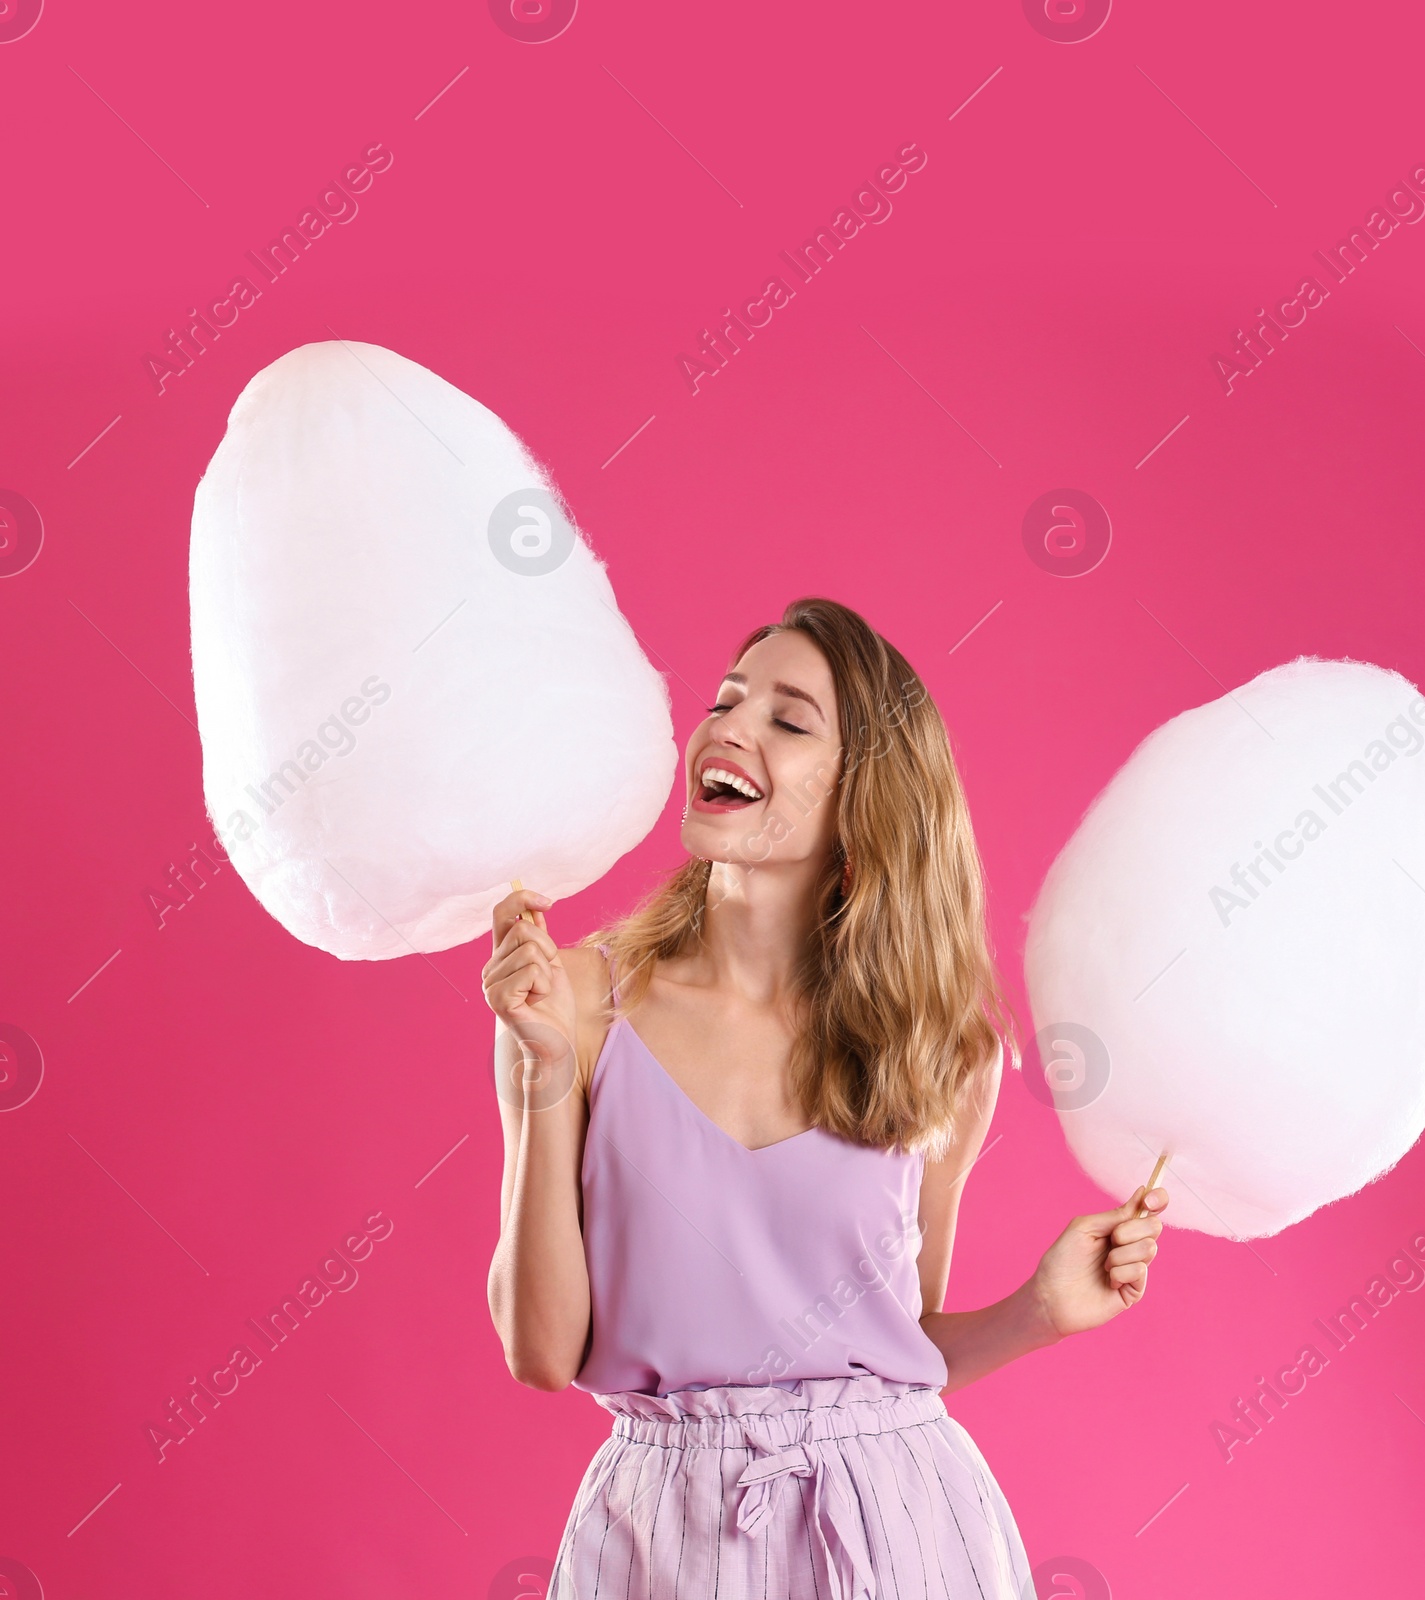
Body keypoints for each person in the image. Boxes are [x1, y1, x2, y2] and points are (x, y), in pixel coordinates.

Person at [483, 597, 1168, 1598]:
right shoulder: (574, 1003)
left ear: (863, 798)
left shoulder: (944, 1051)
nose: (728, 727)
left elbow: (889, 1352)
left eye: (788, 719)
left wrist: (1040, 1311)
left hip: (897, 1529)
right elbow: (543, 1351)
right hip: (657, 1537)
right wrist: (540, 1070)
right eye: (727, 700)